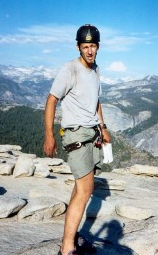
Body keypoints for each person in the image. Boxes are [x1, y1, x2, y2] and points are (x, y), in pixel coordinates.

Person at [43, 24, 111, 255]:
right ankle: (67, 249)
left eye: (93, 46)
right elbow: (51, 100)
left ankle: (71, 237)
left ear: (98, 47)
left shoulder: (96, 70)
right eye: (85, 47)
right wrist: (49, 135)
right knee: (86, 189)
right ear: (78, 47)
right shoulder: (69, 70)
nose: (89, 51)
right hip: (76, 136)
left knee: (79, 187)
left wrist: (103, 127)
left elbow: (96, 100)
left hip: (92, 134)